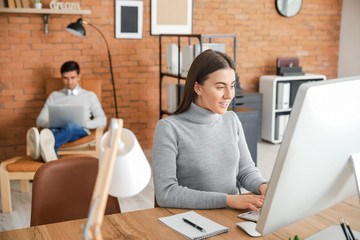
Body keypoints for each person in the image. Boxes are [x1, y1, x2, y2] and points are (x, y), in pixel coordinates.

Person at [153, 49, 268, 211]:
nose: (229, 95)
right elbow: (166, 193)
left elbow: (246, 170)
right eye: (220, 87)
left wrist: (263, 186)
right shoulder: (169, 128)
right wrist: (227, 200)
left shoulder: (232, 120)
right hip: (192, 219)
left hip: (231, 214)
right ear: (198, 88)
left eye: (232, 86)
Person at [29, 61, 107, 162]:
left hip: (78, 130)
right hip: (57, 129)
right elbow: (40, 120)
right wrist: (53, 123)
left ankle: (39, 146)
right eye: (65, 78)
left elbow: (102, 119)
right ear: (61, 78)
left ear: (79, 77)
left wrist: (84, 123)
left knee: (68, 128)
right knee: (50, 132)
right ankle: (51, 160)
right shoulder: (54, 96)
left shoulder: (89, 96)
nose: (69, 82)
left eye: (72, 78)